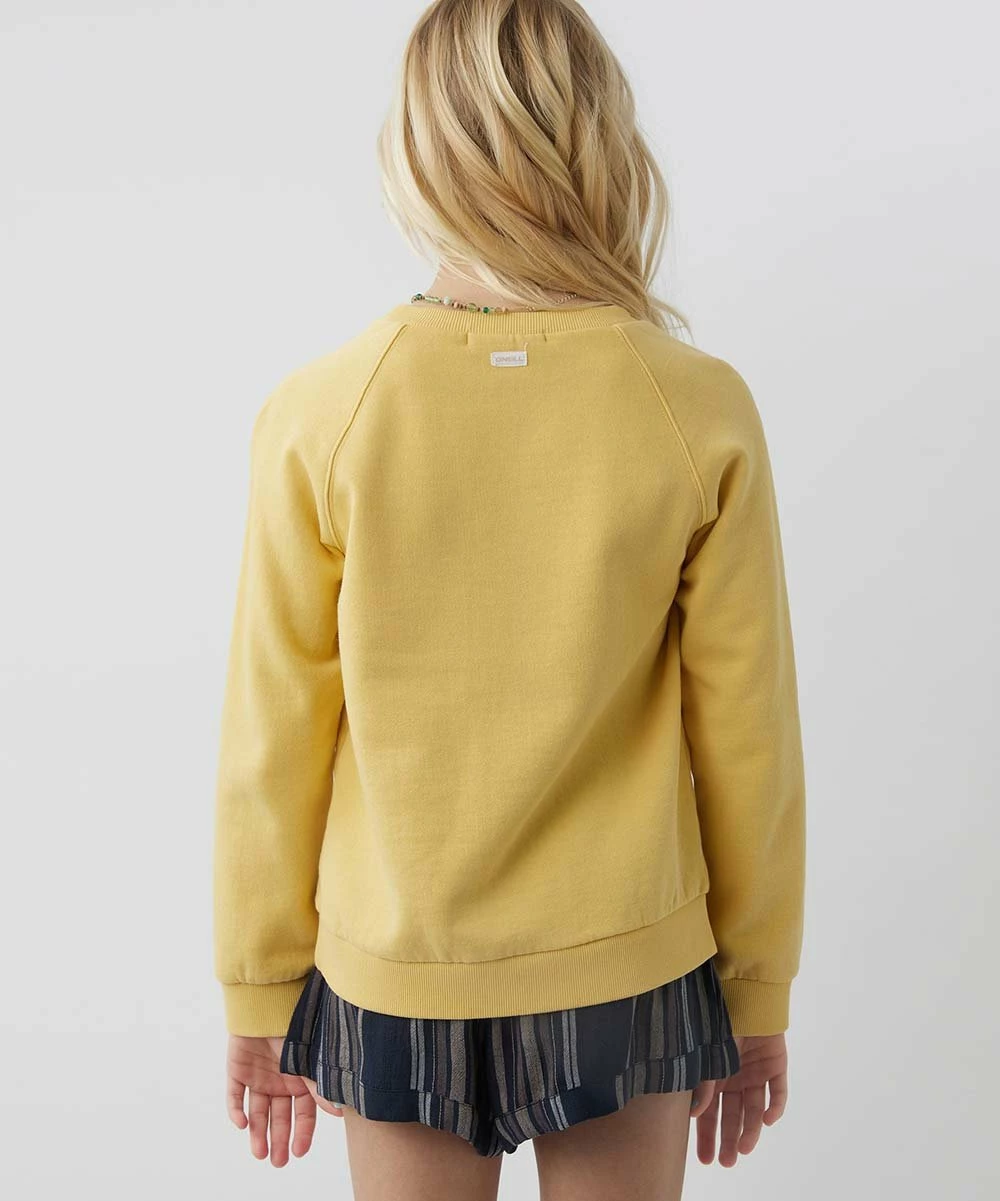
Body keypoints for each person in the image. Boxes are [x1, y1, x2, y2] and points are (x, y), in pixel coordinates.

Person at [212, 1, 807, 1197]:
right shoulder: (692, 406)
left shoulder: (324, 413)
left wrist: (261, 984)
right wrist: (754, 986)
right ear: (602, 139)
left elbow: (273, 738)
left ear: (416, 151)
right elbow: (749, 734)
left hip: (395, 967)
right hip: (628, 963)